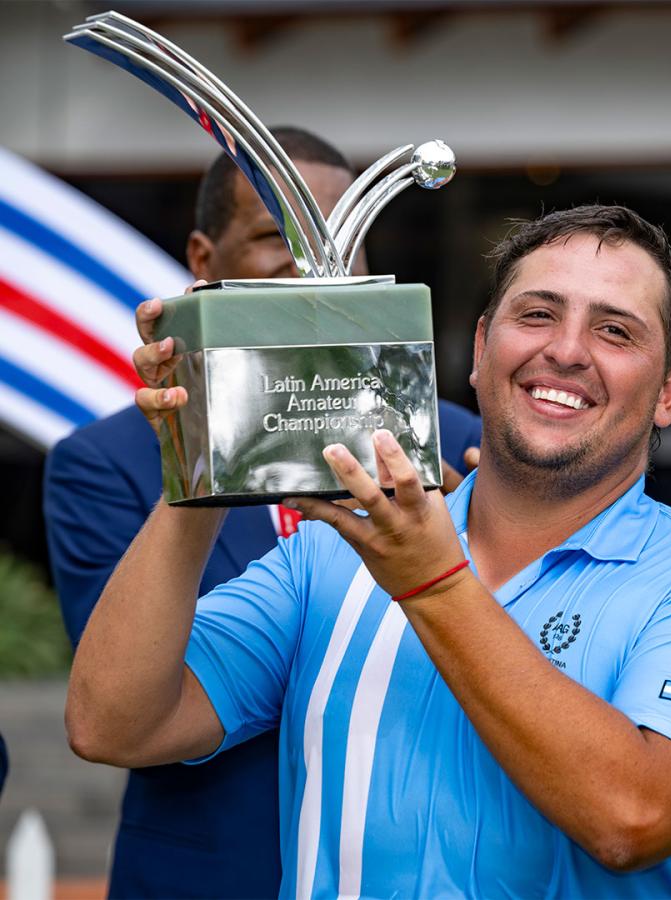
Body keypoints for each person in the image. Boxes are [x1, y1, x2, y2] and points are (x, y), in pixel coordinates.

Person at [67, 205, 671, 899]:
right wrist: (201, 460)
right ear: (480, 350)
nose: (567, 350)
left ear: (669, 392)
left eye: (615, 332)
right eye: (538, 314)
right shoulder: (333, 554)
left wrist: (435, 584)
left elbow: (632, 818)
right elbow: (115, 723)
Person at [44, 126, 480, 900]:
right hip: (215, 871)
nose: (318, 264)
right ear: (204, 263)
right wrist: (198, 459)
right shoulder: (106, 463)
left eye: (344, 235)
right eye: (280, 236)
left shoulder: (459, 447)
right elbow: (126, 698)